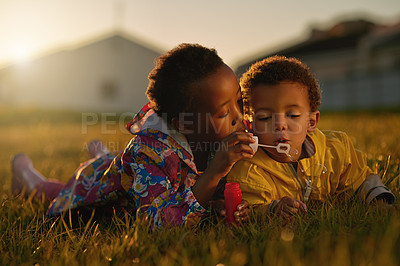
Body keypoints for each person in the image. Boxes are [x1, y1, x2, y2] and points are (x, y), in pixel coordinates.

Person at [11, 43, 255, 228]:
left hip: (126, 168)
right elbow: (158, 223)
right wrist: (215, 172)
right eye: (224, 112)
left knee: (115, 162)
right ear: (185, 123)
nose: (239, 116)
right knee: (56, 192)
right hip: (94, 188)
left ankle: (104, 155)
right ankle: (25, 170)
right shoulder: (148, 153)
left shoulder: (219, 141)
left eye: (238, 101)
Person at [226, 55, 395, 219]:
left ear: (311, 122)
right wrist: (272, 209)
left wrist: (378, 202)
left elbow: (363, 179)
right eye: (265, 117)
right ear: (250, 125)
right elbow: (248, 211)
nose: (280, 125)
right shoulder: (248, 171)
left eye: (292, 115)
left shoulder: (336, 150)